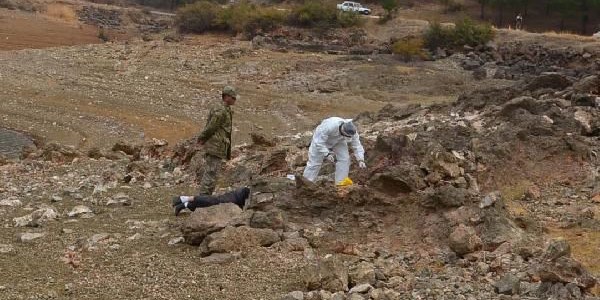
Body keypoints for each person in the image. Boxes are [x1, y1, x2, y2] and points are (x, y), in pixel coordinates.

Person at [195, 86, 237, 196]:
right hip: (215, 146)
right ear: (226, 97)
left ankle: (206, 197)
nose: (234, 100)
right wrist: (202, 138)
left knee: (213, 173)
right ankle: (203, 197)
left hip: (218, 147)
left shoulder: (225, 110)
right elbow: (211, 126)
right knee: (211, 172)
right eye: (233, 97)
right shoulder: (221, 110)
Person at [302, 117, 366, 185]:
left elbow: (357, 145)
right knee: (314, 163)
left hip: (339, 140)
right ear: (342, 132)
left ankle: (341, 183)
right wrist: (327, 154)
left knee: (345, 159)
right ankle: (307, 183)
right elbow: (319, 142)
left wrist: (360, 160)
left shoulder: (353, 132)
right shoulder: (329, 127)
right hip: (321, 141)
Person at [172, 187, 250, 216]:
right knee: (209, 201)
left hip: (234, 200)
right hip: (231, 199)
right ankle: (181, 199)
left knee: (205, 205)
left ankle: (184, 204)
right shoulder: (238, 197)